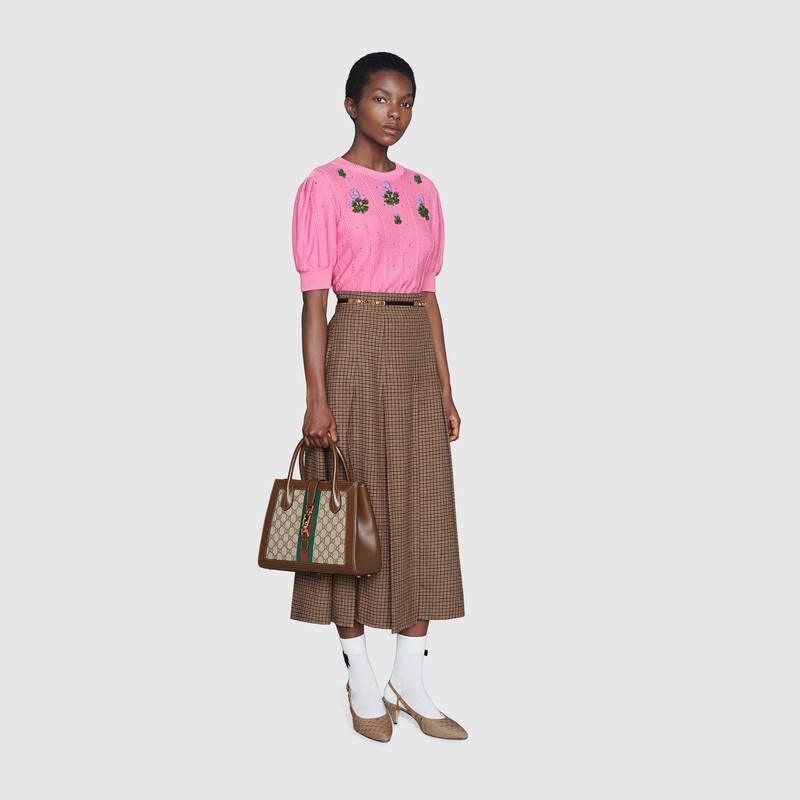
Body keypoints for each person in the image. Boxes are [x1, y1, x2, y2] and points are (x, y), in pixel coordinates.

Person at [289, 52, 467, 742]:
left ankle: (410, 677)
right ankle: (360, 674)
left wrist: (447, 389)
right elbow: (313, 302)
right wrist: (316, 397)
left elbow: (429, 297)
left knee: (422, 508)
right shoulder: (323, 186)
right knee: (350, 512)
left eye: (406, 101)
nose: (395, 114)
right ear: (351, 105)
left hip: (415, 359)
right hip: (354, 348)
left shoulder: (424, 189)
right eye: (381, 99)